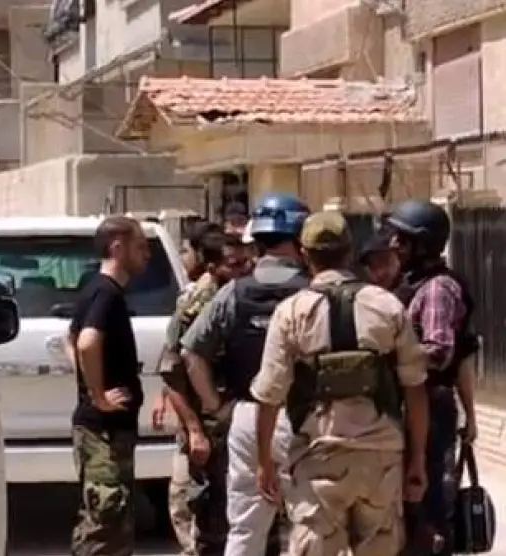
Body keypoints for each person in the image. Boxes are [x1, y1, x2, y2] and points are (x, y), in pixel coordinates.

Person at [250, 211, 430, 555]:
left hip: (318, 459)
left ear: (304, 255)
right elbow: (415, 388)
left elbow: (269, 396)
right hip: (380, 459)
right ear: (349, 252)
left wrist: (263, 463)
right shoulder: (387, 306)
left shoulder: (290, 313)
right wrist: (417, 459)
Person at [180, 193, 311, 556]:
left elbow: (191, 352)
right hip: (302, 418)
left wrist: (218, 408)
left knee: (245, 530)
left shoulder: (234, 292)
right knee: (308, 525)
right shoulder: (315, 292)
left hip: (248, 417)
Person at [387, 199, 478, 555]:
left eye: (402, 239)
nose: (393, 244)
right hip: (417, 403)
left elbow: (440, 352)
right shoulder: (415, 284)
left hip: (429, 406)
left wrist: (386, 359)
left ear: (422, 244)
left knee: (427, 504)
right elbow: (464, 355)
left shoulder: (437, 289)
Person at [154, 232, 250, 556]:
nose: (243, 269)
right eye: (233, 264)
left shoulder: (243, 298)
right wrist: (195, 429)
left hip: (237, 419)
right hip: (209, 425)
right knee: (208, 513)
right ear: (212, 267)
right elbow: (171, 371)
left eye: (245, 261)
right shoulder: (196, 306)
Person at [67, 215, 150, 556]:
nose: (147, 254)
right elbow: (86, 342)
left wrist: (87, 382)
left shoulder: (96, 290)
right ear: (118, 247)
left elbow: (70, 338)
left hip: (109, 430)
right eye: (141, 246)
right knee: (105, 521)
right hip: (104, 430)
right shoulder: (106, 293)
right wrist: (98, 396)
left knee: (113, 524)